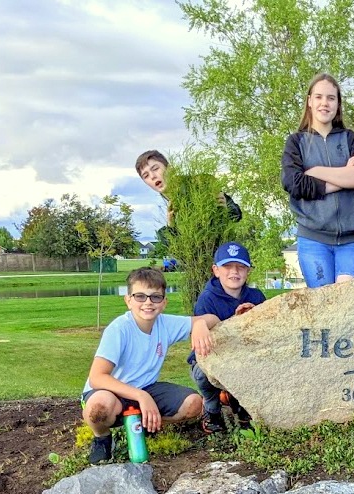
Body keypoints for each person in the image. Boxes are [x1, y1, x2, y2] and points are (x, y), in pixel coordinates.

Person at [82, 267, 220, 464]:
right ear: (128, 300)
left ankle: (147, 423)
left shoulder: (166, 323)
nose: (148, 302)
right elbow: (97, 378)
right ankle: (102, 438)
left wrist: (199, 324)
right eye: (140, 296)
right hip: (108, 391)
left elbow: (213, 319)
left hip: (146, 388)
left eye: (155, 297)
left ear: (164, 302)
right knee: (99, 408)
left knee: (194, 404)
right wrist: (141, 396)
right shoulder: (119, 329)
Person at [281, 73, 354, 288]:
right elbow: (294, 183)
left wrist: (314, 171)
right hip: (313, 240)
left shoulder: (351, 139)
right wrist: (344, 175)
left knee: (348, 303)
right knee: (324, 304)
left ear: (338, 103)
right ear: (309, 101)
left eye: (331, 98)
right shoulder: (296, 142)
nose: (325, 103)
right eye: (319, 97)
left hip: (351, 240)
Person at [190, 242, 265, 433]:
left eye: (241, 267)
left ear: (248, 271)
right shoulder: (207, 299)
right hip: (212, 356)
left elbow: (267, 333)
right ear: (216, 270)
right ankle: (212, 408)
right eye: (228, 267)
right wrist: (235, 321)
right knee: (203, 373)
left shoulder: (256, 296)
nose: (234, 272)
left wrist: (255, 317)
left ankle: (241, 405)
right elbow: (204, 341)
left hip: (244, 356)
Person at [134, 150, 242, 248]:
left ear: (170, 169)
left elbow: (236, 215)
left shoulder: (200, 184)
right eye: (146, 176)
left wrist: (225, 209)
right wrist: (171, 225)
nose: (153, 176)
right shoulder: (167, 205)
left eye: (155, 169)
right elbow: (179, 248)